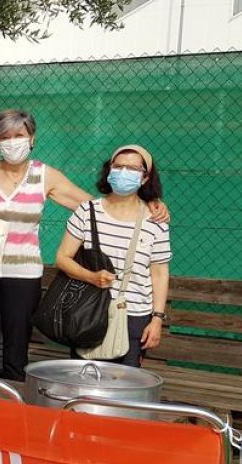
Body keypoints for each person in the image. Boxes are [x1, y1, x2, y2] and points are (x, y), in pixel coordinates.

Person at [0, 109, 169, 381]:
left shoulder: (44, 175)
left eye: (19, 135)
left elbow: (94, 208)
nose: (12, 142)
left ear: (31, 137)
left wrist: (149, 203)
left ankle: (15, 411)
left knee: (16, 354)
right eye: (5, 136)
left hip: (23, 276)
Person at [54, 144, 171, 367]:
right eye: (118, 167)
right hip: (89, 311)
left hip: (135, 316)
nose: (124, 172)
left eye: (133, 169)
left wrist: (157, 319)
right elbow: (62, 257)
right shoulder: (87, 211)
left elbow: (159, 273)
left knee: (125, 387)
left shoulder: (155, 221)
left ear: (145, 178)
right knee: (85, 382)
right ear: (109, 171)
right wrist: (90, 277)